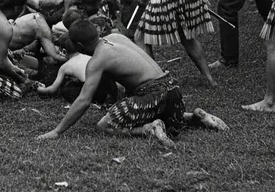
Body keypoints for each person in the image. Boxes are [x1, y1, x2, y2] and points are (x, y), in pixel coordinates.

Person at [37, 18, 227, 146]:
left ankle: (148, 129)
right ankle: (194, 117)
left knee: (105, 125)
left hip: (152, 95)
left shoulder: (98, 59)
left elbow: (84, 100)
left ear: (78, 46)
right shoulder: (116, 37)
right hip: (173, 91)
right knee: (164, 119)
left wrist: (57, 131)